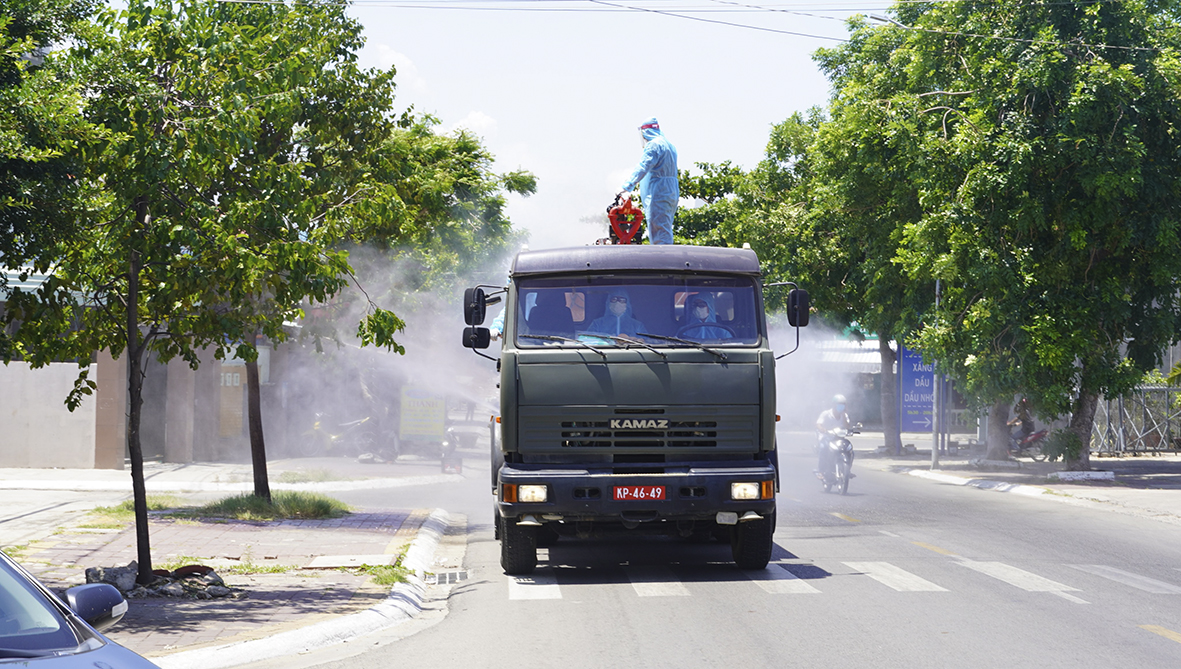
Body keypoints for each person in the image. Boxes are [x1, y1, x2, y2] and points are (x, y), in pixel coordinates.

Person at [619, 117, 678, 245]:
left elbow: (643, 166)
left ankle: (663, 261)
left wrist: (626, 187)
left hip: (658, 192)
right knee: (665, 227)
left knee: (659, 231)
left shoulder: (654, 145)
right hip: (671, 192)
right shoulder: (670, 145)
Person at [815, 394, 852, 476]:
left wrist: (843, 415)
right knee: (823, 448)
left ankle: (847, 470)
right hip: (827, 437)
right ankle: (820, 471)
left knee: (849, 449)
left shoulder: (844, 415)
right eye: (839, 404)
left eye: (843, 404)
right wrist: (823, 429)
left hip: (839, 438)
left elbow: (847, 426)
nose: (841, 406)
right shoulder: (826, 413)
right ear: (834, 405)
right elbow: (818, 424)